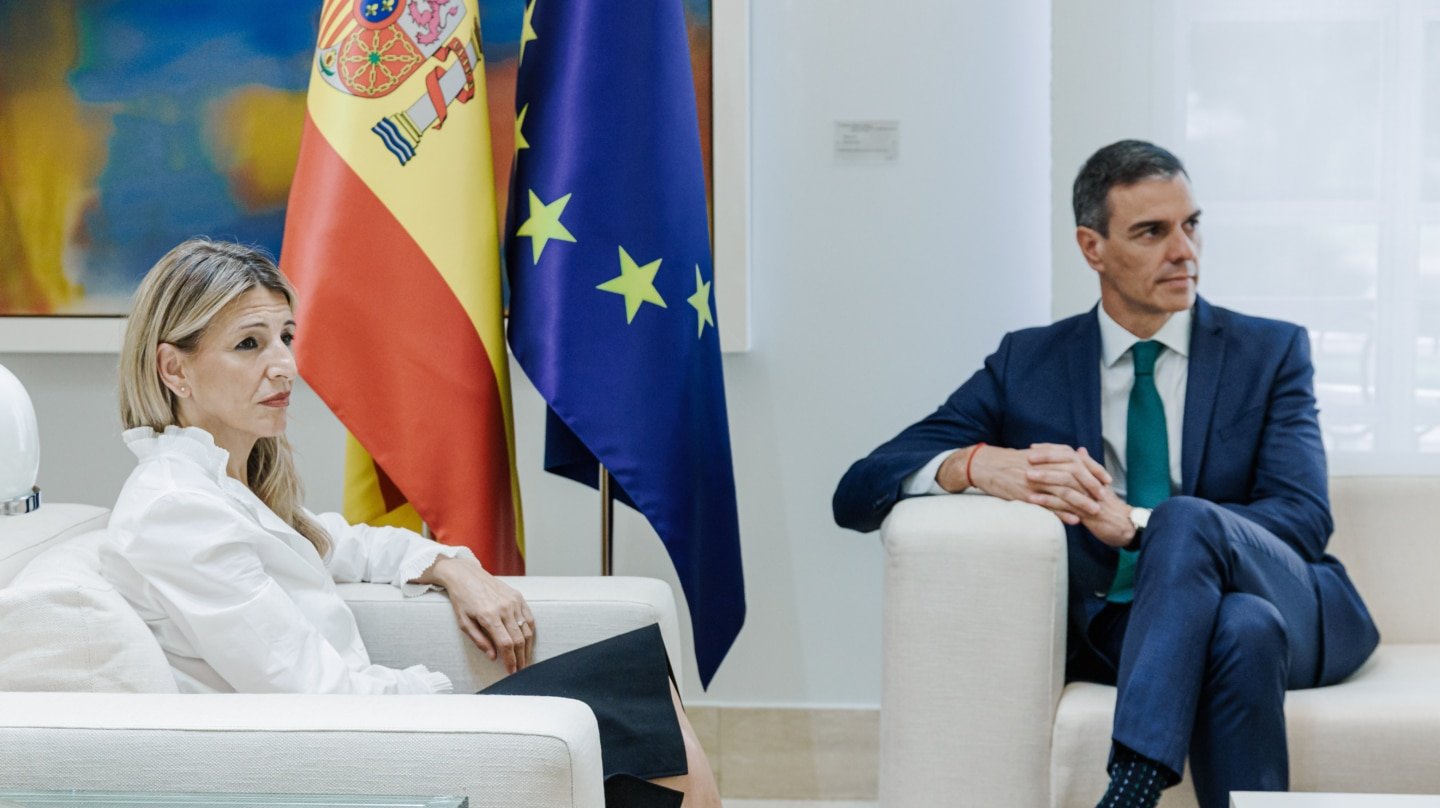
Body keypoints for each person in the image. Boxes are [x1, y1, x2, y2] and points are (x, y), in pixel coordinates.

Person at [833, 140, 1379, 808]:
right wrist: (974, 463)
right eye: (1152, 232)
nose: (1185, 252)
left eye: (1191, 225)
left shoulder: (1268, 352)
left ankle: (1132, 786)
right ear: (1092, 247)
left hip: (1302, 605)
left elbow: (1302, 517)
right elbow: (857, 489)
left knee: (1186, 522)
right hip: (1126, 629)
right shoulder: (1028, 363)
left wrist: (1142, 526)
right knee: (1241, 628)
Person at [101, 237, 720, 808]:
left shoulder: (223, 485)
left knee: (643, 701)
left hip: (379, 728)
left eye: (286, 336)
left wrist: (447, 565)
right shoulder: (175, 509)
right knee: (638, 711)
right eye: (250, 344)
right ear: (173, 368)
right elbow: (309, 693)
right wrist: (442, 698)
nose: (284, 364)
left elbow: (343, 543)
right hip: (355, 755)